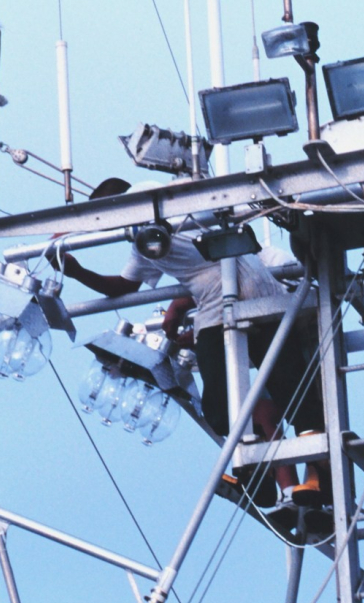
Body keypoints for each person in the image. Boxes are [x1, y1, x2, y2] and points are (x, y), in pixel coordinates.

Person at [54, 178, 329, 507]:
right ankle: (258, 465)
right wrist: (76, 269)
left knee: (291, 386)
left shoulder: (156, 198)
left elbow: (181, 203)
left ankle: (318, 477)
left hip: (254, 284)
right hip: (214, 306)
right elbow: (122, 288)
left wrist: (78, 229)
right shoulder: (141, 243)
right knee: (218, 405)